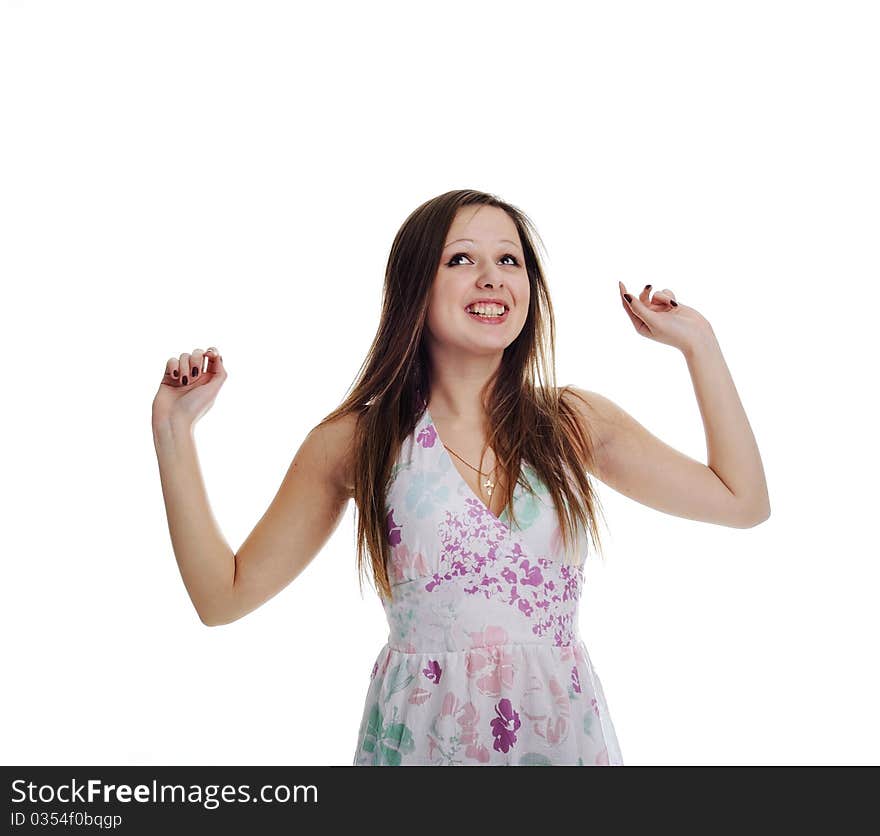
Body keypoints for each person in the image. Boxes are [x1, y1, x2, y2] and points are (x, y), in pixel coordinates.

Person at [151, 188, 770, 766]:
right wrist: (174, 434)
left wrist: (700, 344)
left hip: (559, 739)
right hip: (422, 742)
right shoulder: (360, 441)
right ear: (415, 287)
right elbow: (222, 597)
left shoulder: (571, 423)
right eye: (461, 259)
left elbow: (741, 501)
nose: (493, 277)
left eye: (510, 260)